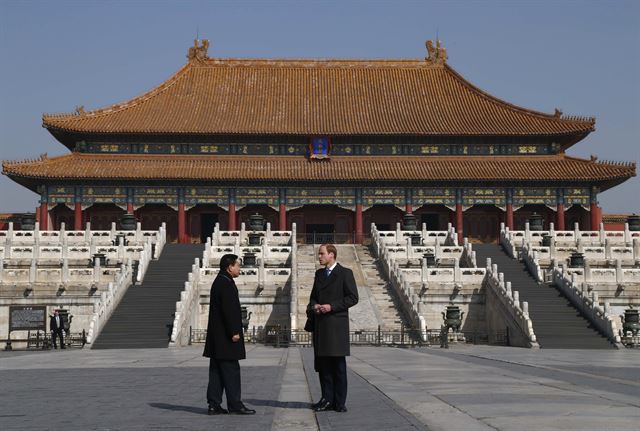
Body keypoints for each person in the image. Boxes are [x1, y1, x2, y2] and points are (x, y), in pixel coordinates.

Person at [306, 244, 359, 412]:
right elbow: (313, 297)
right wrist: (314, 306)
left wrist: (331, 306)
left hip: (336, 326)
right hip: (321, 325)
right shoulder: (319, 274)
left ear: (331, 255)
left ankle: (339, 402)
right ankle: (326, 399)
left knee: (338, 367)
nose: (319, 257)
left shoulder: (345, 273)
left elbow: (353, 298)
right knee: (323, 367)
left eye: (321, 254)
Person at [203, 254, 256, 415]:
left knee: (216, 371)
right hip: (226, 337)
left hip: (217, 337)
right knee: (231, 370)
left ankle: (214, 404)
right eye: (237, 265)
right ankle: (235, 404)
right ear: (229, 267)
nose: (239, 268)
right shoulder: (225, 284)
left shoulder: (220, 281)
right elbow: (229, 310)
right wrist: (234, 331)